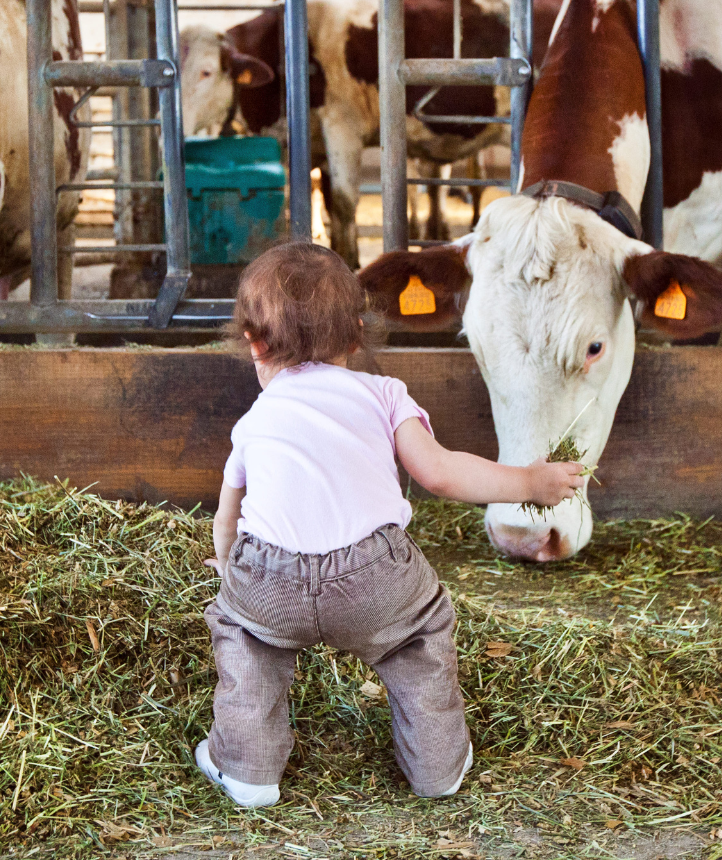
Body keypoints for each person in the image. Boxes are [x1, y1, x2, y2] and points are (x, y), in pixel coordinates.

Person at [196, 242, 584, 808]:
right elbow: (440, 474)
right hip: (373, 577)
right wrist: (529, 483)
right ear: (357, 335)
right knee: (416, 637)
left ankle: (246, 770)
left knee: (247, 636)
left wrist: (231, 568)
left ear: (255, 343)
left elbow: (228, 513)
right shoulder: (383, 394)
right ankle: (437, 767)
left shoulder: (254, 420)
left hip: (269, 575)